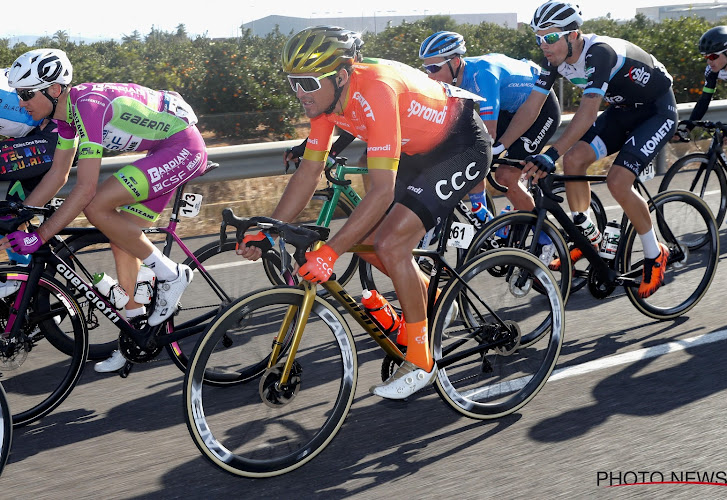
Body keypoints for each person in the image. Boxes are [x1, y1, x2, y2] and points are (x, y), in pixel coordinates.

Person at [238, 26, 492, 399]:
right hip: (417, 151)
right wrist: (271, 227)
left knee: (390, 244)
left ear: (341, 76)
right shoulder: (324, 105)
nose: (299, 93)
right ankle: (434, 302)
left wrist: (330, 253)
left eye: (308, 82)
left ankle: (422, 360)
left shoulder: (377, 88)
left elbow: (381, 191)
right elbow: (309, 172)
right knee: (371, 243)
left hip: (461, 144)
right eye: (293, 83)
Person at [0, 48, 208, 372]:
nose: (22, 101)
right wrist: (22, 215)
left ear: (54, 90)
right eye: (18, 94)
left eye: (27, 93)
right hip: (163, 149)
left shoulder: (88, 104)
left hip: (182, 147)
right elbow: (58, 174)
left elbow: (85, 190)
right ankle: (136, 332)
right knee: (119, 235)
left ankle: (171, 274)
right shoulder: (65, 119)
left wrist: (39, 235)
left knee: (97, 207)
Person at [520, 1, 676, 298]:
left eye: (550, 37)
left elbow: (589, 112)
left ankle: (655, 253)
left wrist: (551, 154)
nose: (544, 45)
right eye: (539, 38)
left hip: (657, 111)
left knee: (618, 181)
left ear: (573, 35)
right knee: (575, 159)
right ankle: (587, 237)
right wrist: (498, 146)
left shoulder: (599, 53)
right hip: (622, 110)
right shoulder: (554, 58)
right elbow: (531, 106)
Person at [419, 31, 560, 263]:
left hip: (540, 109)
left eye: (434, 68)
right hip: (510, 109)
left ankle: (547, 238)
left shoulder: (483, 75)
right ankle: (483, 216)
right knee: (469, 153)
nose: (429, 75)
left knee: (505, 175)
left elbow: (488, 133)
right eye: (426, 69)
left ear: (455, 62)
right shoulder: (452, 80)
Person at [678, 25, 727, 226]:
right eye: (706, 57)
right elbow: (704, 99)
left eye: (712, 57)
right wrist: (689, 125)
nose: (709, 61)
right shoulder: (713, 70)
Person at [0, 66, 60, 269]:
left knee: (12, 218)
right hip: (34, 136)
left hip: (53, 136)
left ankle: (24, 278)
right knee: (9, 215)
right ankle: (25, 275)